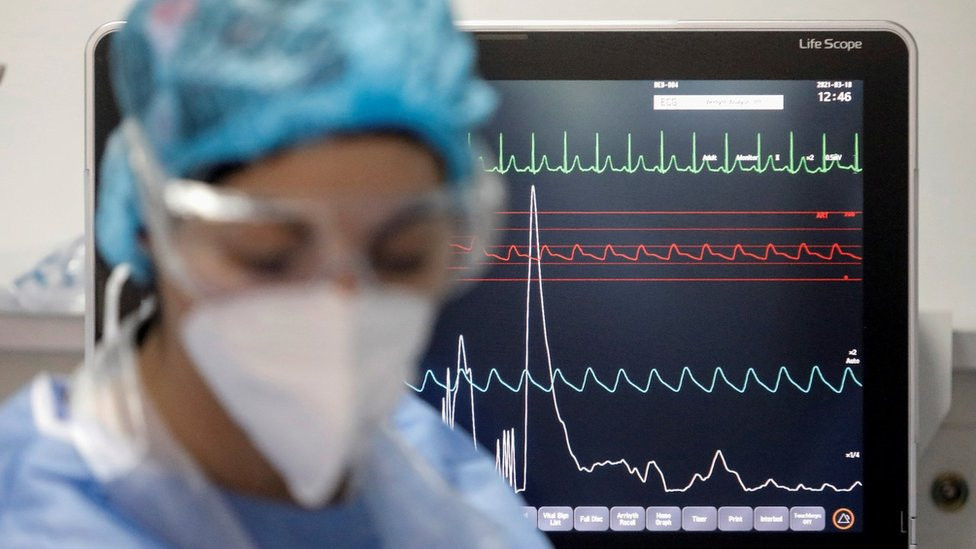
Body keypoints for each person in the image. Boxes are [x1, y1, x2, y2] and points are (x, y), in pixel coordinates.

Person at [0, 0, 550, 546]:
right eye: (268, 256)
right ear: (152, 224)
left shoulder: (449, 492)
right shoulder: (36, 521)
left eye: (400, 255)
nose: (342, 310)